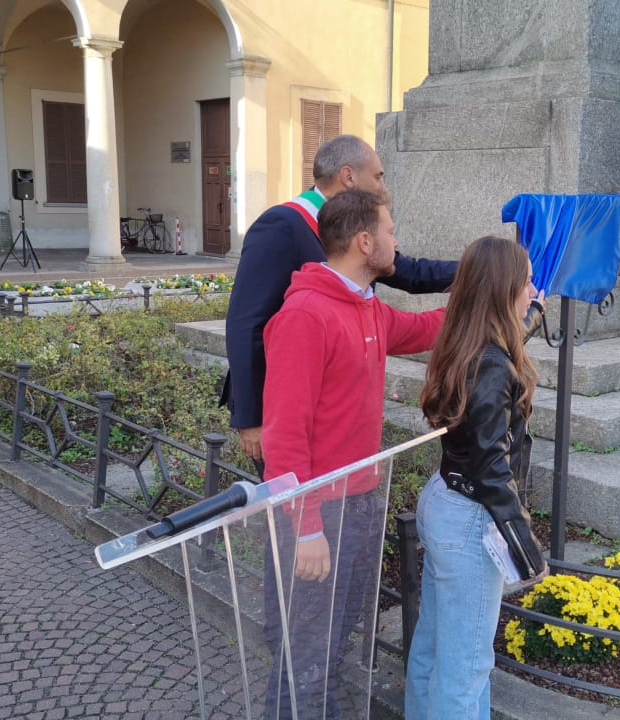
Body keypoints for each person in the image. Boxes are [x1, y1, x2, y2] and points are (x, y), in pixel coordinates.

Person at [260, 188, 447, 720]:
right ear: (365, 243)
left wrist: (490, 304)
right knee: (305, 647)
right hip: (322, 514)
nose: (396, 241)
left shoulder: (366, 307)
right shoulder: (307, 315)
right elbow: (284, 436)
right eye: (390, 232)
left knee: (335, 641)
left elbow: (423, 329)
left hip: (360, 503)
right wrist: (308, 526)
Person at [223, 135, 457, 465]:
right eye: (377, 176)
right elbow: (246, 321)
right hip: (282, 397)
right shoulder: (282, 224)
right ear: (348, 177)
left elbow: (407, 271)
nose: (382, 186)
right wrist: (251, 418)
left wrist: (478, 273)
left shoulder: (358, 233)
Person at [404, 236, 548, 720]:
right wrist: (526, 547)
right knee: (466, 669)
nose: (533, 290)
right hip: (471, 517)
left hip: (445, 499)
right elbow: (491, 467)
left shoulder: (465, 342)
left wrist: (526, 322)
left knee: (434, 649)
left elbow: (495, 376)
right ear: (503, 289)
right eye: (526, 281)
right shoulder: (490, 364)